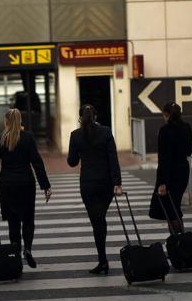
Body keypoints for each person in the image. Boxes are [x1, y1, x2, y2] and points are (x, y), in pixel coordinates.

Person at [0, 109, 52, 268]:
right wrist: (46, 186)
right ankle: (27, 249)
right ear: (20, 121)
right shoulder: (28, 138)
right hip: (26, 184)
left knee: (13, 222)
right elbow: (37, 163)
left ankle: (15, 251)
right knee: (28, 219)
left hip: (7, 185)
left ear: (6, 121)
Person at [67, 104, 122, 275]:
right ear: (95, 117)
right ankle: (103, 260)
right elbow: (113, 158)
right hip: (105, 183)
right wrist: (117, 183)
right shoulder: (106, 132)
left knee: (96, 221)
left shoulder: (75, 135)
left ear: (80, 118)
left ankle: (103, 260)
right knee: (100, 218)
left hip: (88, 184)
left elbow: (72, 161)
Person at [149, 102, 192, 234]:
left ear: (167, 115)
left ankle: (179, 241)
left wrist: (162, 182)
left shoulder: (165, 130)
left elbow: (163, 158)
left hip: (170, 174)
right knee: (174, 207)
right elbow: (189, 151)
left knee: (171, 210)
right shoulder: (187, 127)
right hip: (183, 171)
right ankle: (179, 242)